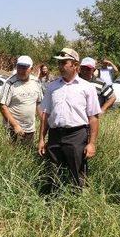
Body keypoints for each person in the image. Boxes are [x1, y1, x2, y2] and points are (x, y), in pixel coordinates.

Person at [38, 48, 101, 187]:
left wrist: (91, 144)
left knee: (77, 173)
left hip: (76, 135)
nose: (60, 66)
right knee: (52, 173)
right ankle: (52, 202)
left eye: (64, 63)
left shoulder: (87, 88)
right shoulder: (52, 87)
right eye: (59, 63)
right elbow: (45, 114)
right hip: (55, 135)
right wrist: (42, 139)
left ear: (75, 66)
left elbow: (94, 118)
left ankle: (78, 201)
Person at [0, 55, 43, 145]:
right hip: (12, 129)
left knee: (26, 155)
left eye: (25, 68)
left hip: (30, 129)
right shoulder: (10, 83)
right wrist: (15, 126)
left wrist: (43, 121)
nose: (21, 70)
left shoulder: (36, 82)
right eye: (19, 67)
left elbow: (39, 103)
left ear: (31, 69)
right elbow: (3, 106)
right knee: (11, 155)